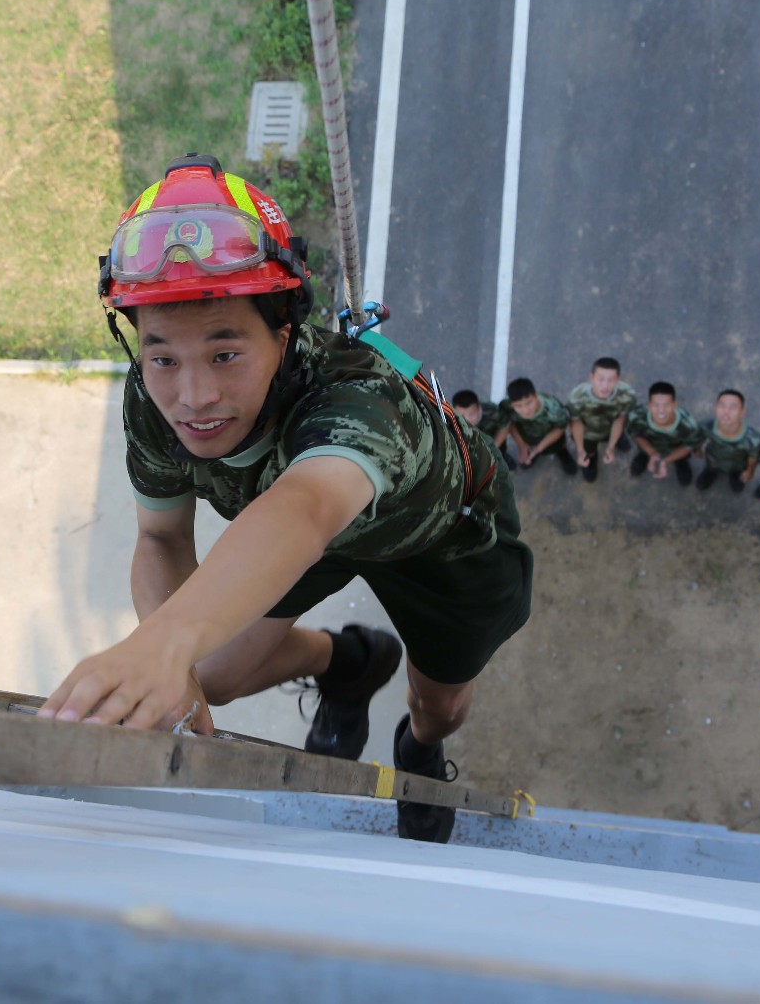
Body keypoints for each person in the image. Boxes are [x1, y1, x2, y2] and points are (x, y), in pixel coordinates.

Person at [38, 154, 534, 844]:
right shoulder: (152, 402)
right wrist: (171, 657)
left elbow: (305, 505)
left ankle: (420, 749)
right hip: (300, 535)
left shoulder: (361, 401)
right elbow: (161, 540)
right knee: (209, 672)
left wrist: (165, 641)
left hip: (436, 537)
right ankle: (351, 663)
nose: (194, 397)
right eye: (162, 358)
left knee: (441, 704)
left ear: (283, 332)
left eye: (225, 353)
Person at [567, 357, 636, 483]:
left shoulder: (627, 395)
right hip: (588, 433)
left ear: (618, 380)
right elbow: (576, 422)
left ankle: (618, 440)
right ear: (592, 378)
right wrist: (580, 450)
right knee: (589, 452)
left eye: (611, 380)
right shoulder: (577, 396)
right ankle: (590, 462)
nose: (605, 385)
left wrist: (610, 447)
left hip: (611, 428)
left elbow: (619, 420)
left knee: (618, 437)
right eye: (600, 379)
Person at [491, 378, 574, 476]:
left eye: (529, 403)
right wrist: (522, 446)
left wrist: (538, 448)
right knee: (529, 454)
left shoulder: (554, 409)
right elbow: (509, 424)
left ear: (536, 396)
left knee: (559, 448)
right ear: (512, 403)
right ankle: (532, 454)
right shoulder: (506, 406)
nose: (525, 410)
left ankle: (564, 455)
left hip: (551, 438)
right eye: (518, 406)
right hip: (527, 438)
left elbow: (559, 429)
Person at [625, 381, 701, 486]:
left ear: (674, 405)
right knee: (643, 451)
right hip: (648, 445)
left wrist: (666, 460)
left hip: (676, 450)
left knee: (681, 459)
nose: (661, 410)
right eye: (656, 405)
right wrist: (651, 452)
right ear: (649, 406)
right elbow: (635, 434)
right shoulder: (636, 415)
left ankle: (680, 463)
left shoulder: (689, 425)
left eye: (667, 405)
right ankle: (645, 456)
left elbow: (689, 446)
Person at [695, 389, 760, 492]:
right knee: (711, 468)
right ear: (715, 409)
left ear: (742, 413)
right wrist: (697, 450)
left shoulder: (753, 438)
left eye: (733, 407)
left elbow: (753, 457)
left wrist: (749, 471)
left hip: (737, 464)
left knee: (736, 475)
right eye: (722, 406)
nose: (726, 411)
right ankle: (710, 473)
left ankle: (735, 478)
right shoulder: (706, 425)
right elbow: (699, 438)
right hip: (713, 459)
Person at [451, 389, 514, 469]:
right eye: (462, 415)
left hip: (491, 440)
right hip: (467, 448)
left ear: (479, 408)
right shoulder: (448, 419)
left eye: (471, 414)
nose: (467, 419)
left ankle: (502, 458)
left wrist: (493, 449)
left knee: (500, 455)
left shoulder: (491, 410)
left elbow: (506, 425)